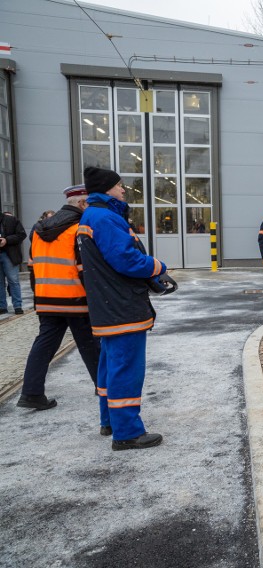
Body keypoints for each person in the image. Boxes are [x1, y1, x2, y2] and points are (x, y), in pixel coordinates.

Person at [77, 166, 174, 451]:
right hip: (121, 306)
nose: (123, 190)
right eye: (120, 186)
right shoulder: (105, 217)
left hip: (108, 305)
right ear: (107, 189)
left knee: (109, 365)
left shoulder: (93, 216)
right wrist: (158, 266)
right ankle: (128, 432)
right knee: (126, 368)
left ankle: (110, 420)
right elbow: (126, 260)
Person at [17, 186, 100, 413]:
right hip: (75, 297)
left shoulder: (38, 229)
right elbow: (85, 269)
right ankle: (103, 386)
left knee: (43, 345)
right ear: (83, 205)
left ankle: (31, 393)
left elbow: (32, 267)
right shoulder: (78, 229)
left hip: (46, 298)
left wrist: (38, 297)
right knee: (90, 344)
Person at [0, 210, 27, 315]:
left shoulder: (11, 220)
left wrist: (6, 240)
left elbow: (22, 234)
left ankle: (17, 306)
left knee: (13, 281)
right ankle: (2, 306)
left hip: (9, 255)